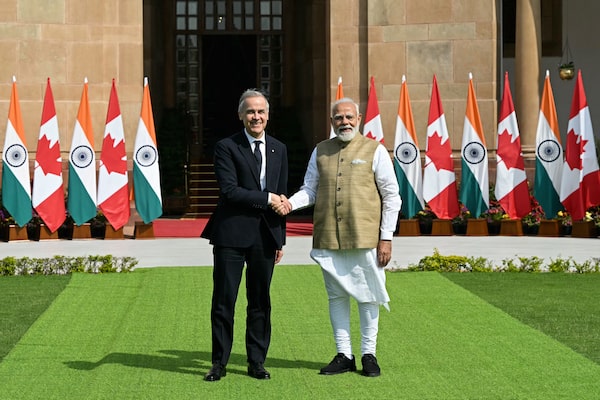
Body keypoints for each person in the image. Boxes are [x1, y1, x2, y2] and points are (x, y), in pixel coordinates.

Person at [273, 97, 401, 377]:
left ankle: (369, 354)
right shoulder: (320, 150)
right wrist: (289, 204)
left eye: (349, 117)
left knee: (369, 296)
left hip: (366, 238)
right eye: (339, 118)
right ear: (332, 122)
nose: (345, 122)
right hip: (328, 237)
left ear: (359, 118)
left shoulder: (375, 150)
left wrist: (386, 237)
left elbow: (392, 196)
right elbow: (310, 189)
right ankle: (344, 355)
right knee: (336, 297)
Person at [201, 89, 288, 382]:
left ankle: (256, 362)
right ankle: (219, 363)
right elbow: (230, 191)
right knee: (224, 300)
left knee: (260, 301)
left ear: (268, 115)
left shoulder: (279, 149)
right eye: (250, 111)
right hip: (231, 235)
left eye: (261, 111)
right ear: (241, 115)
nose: (256, 117)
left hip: (265, 237)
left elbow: (282, 197)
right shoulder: (226, 147)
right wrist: (267, 198)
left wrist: (280, 238)